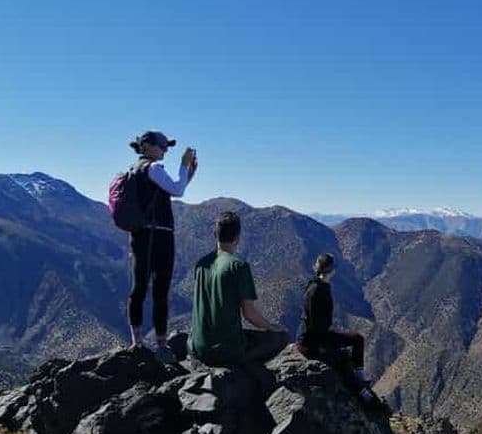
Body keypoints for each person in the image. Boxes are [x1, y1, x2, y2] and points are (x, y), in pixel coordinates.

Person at [126, 130, 197, 362]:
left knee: (139, 288)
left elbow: (173, 190)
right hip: (160, 235)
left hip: (140, 235)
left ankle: (136, 342)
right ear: (146, 146)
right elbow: (177, 190)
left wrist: (187, 173)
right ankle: (162, 345)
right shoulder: (154, 168)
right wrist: (184, 165)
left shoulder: (135, 170)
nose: (165, 150)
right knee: (160, 291)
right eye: (162, 145)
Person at [188, 211, 289, 367]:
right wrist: (273, 327)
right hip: (226, 350)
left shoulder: (201, 264)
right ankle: (247, 373)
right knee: (281, 338)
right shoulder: (238, 265)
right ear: (238, 238)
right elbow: (249, 314)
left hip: (197, 346)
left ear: (215, 235)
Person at [298, 253, 373, 401]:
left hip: (316, 336)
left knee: (357, 339)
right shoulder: (317, 290)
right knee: (342, 359)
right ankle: (362, 393)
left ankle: (361, 379)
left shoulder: (317, 286)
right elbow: (314, 324)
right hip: (312, 341)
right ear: (331, 270)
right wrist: (326, 346)